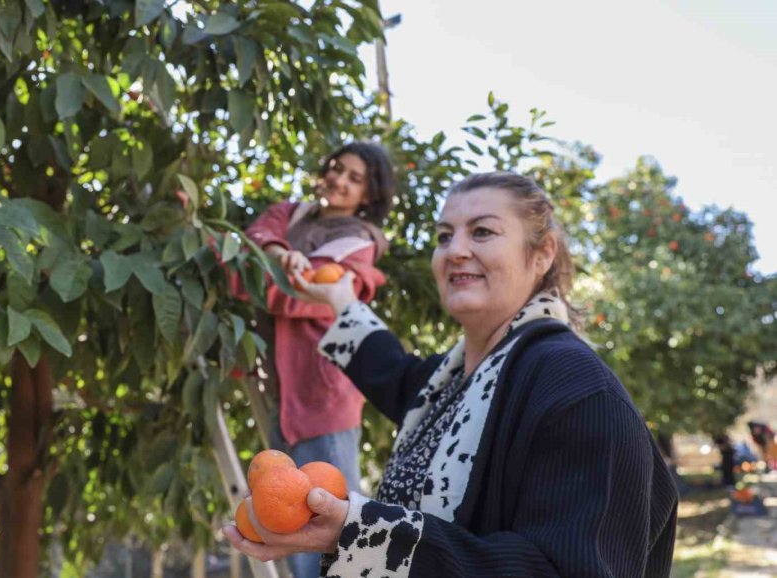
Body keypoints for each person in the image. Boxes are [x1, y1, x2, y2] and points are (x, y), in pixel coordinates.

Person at [225, 172, 679, 577]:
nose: (455, 250)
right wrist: (340, 298)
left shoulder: (576, 389)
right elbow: (393, 372)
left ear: (542, 254)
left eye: (482, 231)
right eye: (444, 236)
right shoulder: (455, 383)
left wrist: (363, 533)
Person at [238, 142, 395, 578]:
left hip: (323, 398)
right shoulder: (292, 214)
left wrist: (257, 273)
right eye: (336, 168)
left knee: (331, 533)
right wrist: (276, 256)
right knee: (291, 527)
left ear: (368, 194)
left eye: (354, 178)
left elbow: (293, 294)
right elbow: (253, 242)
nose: (339, 180)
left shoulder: (357, 243)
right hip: (282, 393)